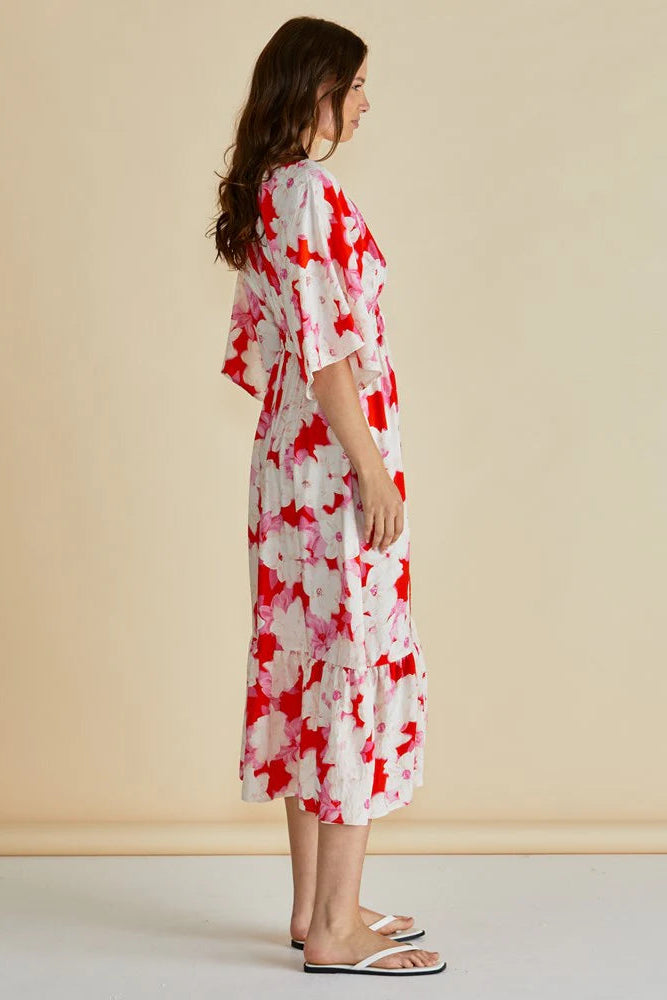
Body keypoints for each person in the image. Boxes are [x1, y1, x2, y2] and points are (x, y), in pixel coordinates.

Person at [208, 16, 445, 977]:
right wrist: (371, 469)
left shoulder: (268, 193)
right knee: (349, 672)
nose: (363, 103)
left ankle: (315, 910)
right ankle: (337, 933)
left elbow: (261, 352)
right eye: (354, 86)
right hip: (328, 472)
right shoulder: (308, 192)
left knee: (311, 669)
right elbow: (326, 349)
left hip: (285, 469)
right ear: (316, 92)